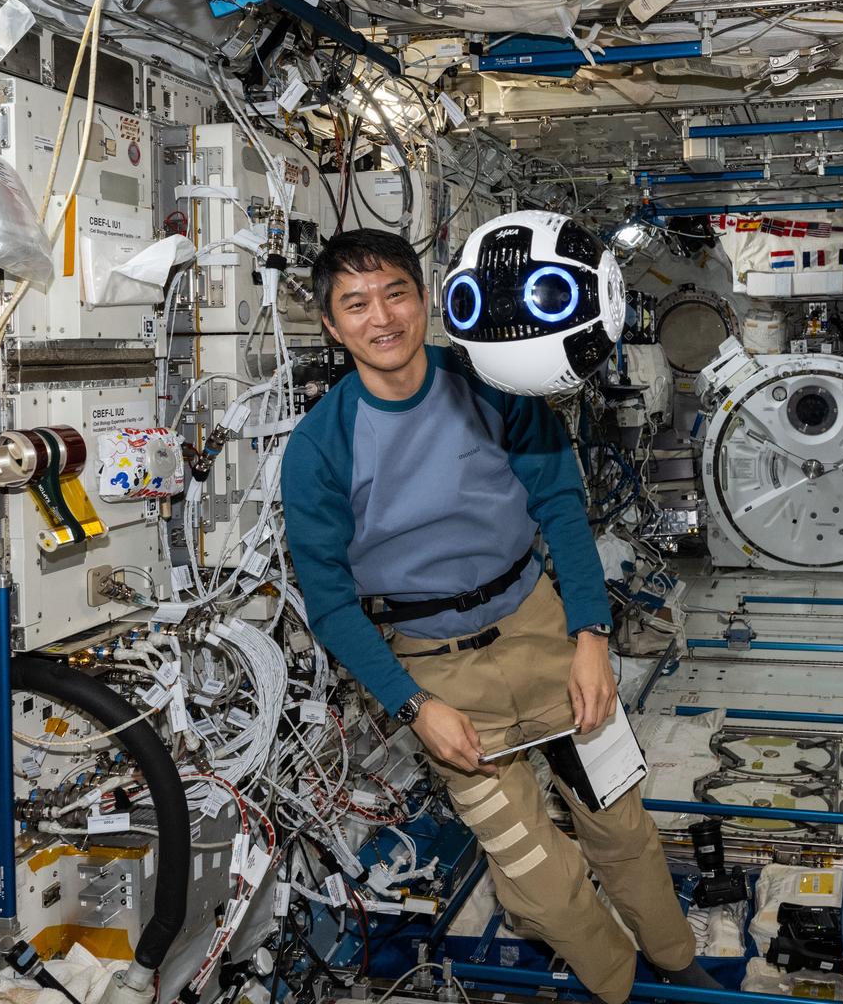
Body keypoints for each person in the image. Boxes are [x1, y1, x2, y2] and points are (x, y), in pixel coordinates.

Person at [282, 228, 714, 1004]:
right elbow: (331, 604)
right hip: (438, 671)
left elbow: (561, 507)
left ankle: (677, 958)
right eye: (357, 304)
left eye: (396, 294)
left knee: (620, 824)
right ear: (332, 325)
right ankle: (618, 987)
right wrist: (414, 707)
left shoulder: (494, 386)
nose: (382, 317)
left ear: (426, 300)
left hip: (541, 629)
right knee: (537, 878)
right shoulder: (320, 447)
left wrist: (591, 636)